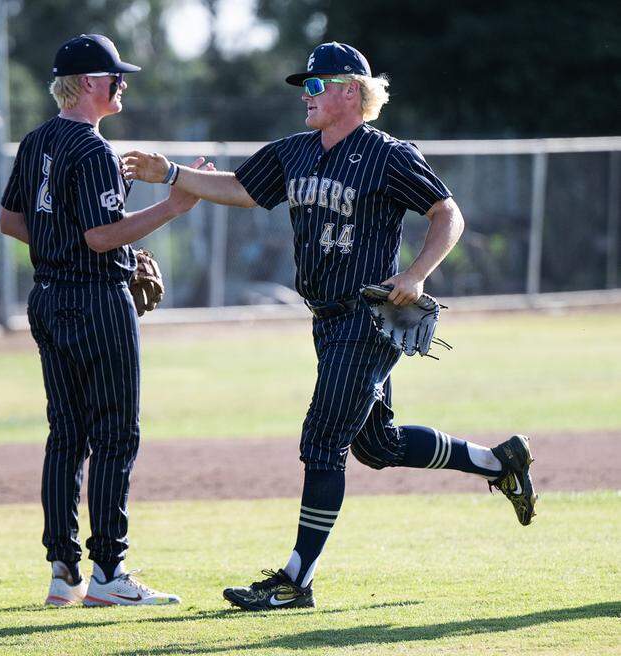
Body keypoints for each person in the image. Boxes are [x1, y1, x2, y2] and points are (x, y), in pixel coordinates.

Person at [124, 42, 536, 611]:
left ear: (351, 92)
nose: (305, 95)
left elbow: (448, 214)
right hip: (326, 320)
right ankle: (498, 461)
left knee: (322, 439)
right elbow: (244, 189)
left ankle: (296, 580)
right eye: (304, 87)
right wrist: (172, 173)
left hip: (368, 318)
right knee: (378, 445)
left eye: (315, 86)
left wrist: (416, 274)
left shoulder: (389, 155)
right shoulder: (294, 152)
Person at [0, 34, 210, 607]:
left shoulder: (37, 140)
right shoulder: (93, 150)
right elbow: (98, 237)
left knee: (66, 435)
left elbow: (12, 221)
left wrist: (69, 247)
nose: (123, 83)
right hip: (95, 300)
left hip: (47, 296)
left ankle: (62, 572)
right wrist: (172, 206)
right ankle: (110, 572)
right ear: (91, 82)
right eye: (116, 75)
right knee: (116, 435)